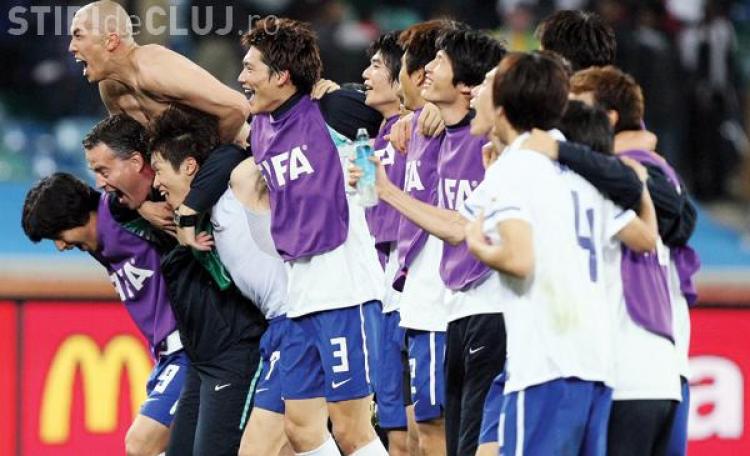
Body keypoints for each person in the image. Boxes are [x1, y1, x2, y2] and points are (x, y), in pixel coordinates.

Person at [462, 51, 652, 456]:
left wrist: (478, 245)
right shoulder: (581, 164)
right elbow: (645, 237)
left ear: (502, 108)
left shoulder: (515, 169)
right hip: (596, 365)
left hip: (544, 365)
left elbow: (520, 260)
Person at [352, 28, 507, 456]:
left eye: (438, 61)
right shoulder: (425, 129)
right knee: (435, 435)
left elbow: (460, 227)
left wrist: (387, 190)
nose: (425, 71)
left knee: (451, 435)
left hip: (480, 303)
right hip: (445, 304)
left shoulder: (495, 142)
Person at [239, 17, 386, 456]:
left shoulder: (331, 111)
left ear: (282, 75)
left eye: (250, 68)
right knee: (301, 429)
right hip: (300, 294)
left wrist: (343, 90)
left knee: (351, 429)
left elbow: (395, 108)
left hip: (346, 290)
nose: (242, 77)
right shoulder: (261, 126)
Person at [148, 106, 292, 456]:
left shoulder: (235, 192)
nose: (155, 183)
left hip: (286, 324)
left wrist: (188, 212)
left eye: (158, 170)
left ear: (189, 166)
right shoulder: (204, 216)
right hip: (262, 334)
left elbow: (236, 154)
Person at [22, 170, 186, 456]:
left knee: (140, 444)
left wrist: (143, 206)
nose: (61, 246)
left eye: (58, 235)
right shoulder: (95, 243)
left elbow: (142, 181)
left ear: (75, 216)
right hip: (165, 356)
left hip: (188, 349)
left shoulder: (119, 213)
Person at [68, 0, 251, 243]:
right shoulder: (109, 87)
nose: (71, 47)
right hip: (189, 184)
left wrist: (202, 170)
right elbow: (135, 154)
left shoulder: (154, 68)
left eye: (78, 36)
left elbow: (237, 108)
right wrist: (142, 205)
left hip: (239, 168)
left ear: (110, 41)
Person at [361, 31, 409, 456]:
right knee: (394, 429)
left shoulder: (418, 131)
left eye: (377, 66)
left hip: (412, 292)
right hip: (382, 293)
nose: (365, 74)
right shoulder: (376, 138)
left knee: (419, 431)